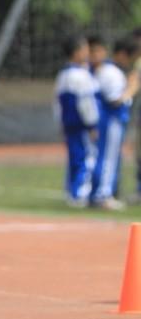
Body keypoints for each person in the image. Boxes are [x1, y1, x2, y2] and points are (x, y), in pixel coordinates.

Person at [88, 36, 139, 209]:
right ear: (123, 55)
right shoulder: (112, 72)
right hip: (111, 120)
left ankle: (100, 193)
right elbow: (115, 100)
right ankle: (103, 195)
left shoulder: (106, 70)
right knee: (108, 158)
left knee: (106, 157)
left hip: (108, 120)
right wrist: (131, 89)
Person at [55, 36, 99, 208]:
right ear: (77, 52)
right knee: (85, 157)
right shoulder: (81, 75)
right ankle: (80, 193)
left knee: (74, 158)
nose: (87, 53)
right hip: (81, 126)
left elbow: (56, 103)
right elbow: (86, 103)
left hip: (68, 125)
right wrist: (92, 125)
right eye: (85, 49)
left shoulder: (63, 74)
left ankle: (71, 191)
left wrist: (60, 122)